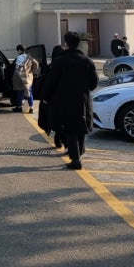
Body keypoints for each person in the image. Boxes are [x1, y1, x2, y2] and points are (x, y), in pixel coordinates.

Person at [38, 31, 99, 170]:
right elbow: (94, 82)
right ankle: (79, 154)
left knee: (69, 128)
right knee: (81, 126)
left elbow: (51, 82)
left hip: (63, 99)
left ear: (66, 44)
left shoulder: (59, 61)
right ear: (79, 44)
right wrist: (84, 90)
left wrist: (45, 97)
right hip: (82, 99)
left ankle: (75, 159)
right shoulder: (87, 61)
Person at [11, 44, 39, 113]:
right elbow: (36, 63)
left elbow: (17, 67)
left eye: (18, 50)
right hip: (28, 76)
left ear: (19, 50)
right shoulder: (29, 57)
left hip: (20, 76)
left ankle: (19, 107)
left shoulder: (19, 58)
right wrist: (32, 70)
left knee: (20, 91)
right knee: (29, 91)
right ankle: (31, 108)